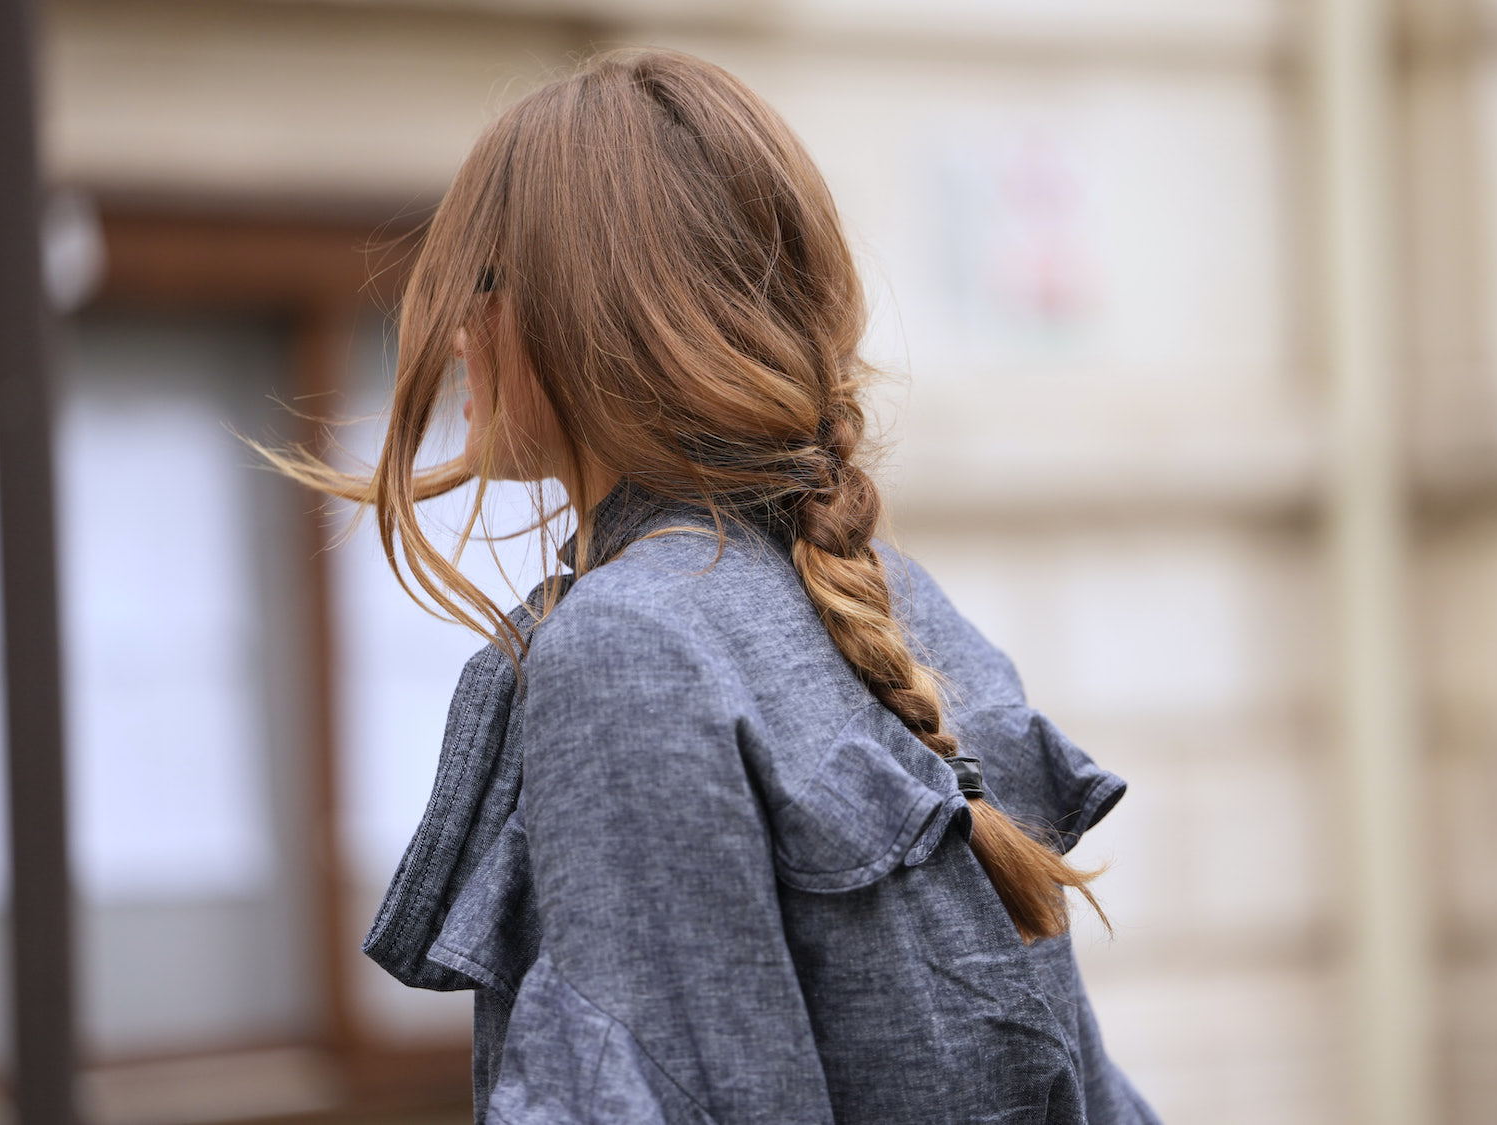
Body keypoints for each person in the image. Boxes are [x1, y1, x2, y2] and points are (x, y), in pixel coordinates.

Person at [259, 45, 1158, 1125]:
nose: (455, 335)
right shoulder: (897, 604)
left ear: (590, 313)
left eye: (479, 285)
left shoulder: (629, 646)